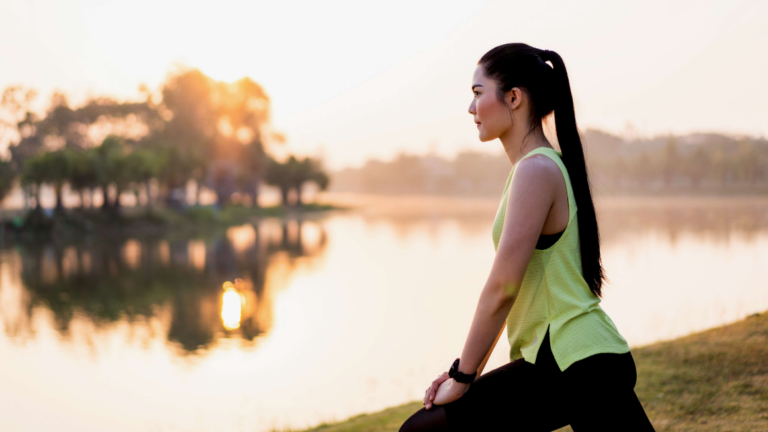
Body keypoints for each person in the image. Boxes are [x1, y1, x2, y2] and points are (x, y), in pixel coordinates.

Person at [399, 43, 655, 431]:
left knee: (424, 430)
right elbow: (511, 293)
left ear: (514, 98)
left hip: (579, 365)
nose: (471, 109)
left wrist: (463, 377)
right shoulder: (535, 169)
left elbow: (502, 288)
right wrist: (465, 375)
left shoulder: (535, 171)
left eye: (477, 93)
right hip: (572, 362)